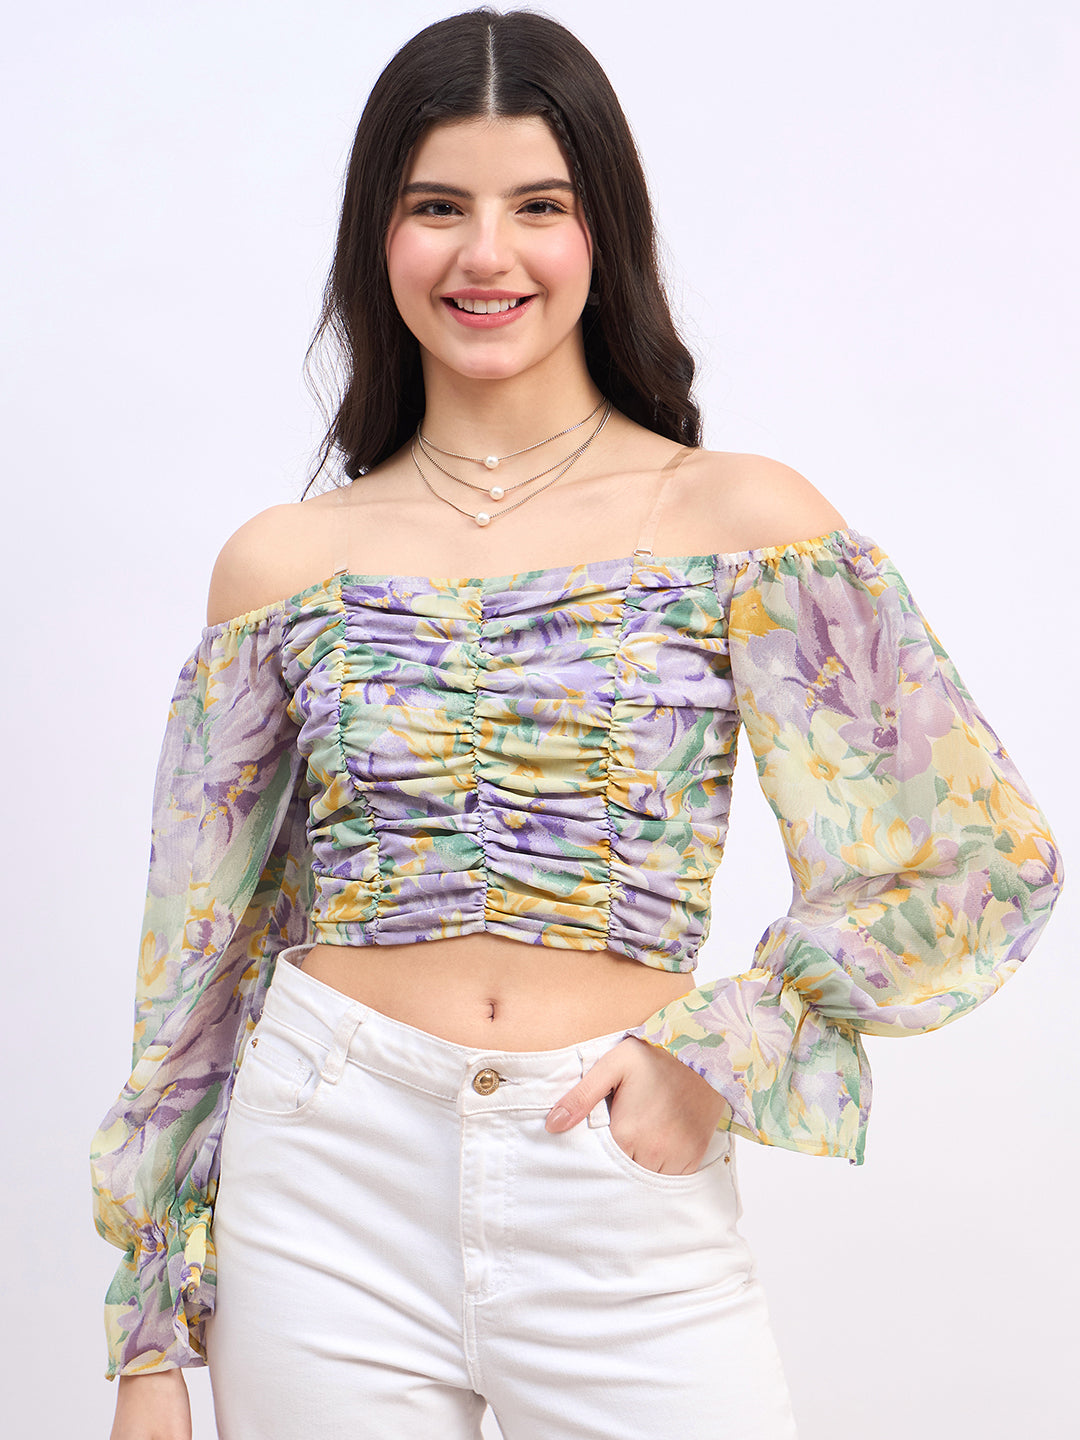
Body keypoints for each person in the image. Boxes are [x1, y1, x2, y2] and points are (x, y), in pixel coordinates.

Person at [92, 9, 1063, 1439]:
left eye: (538, 206)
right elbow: (199, 965)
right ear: (377, 237)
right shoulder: (279, 564)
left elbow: (978, 854)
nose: (486, 255)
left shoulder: (741, 521)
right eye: (438, 207)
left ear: (604, 228)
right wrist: (149, 1340)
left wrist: (725, 1051)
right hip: (320, 1181)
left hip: (609, 1173)